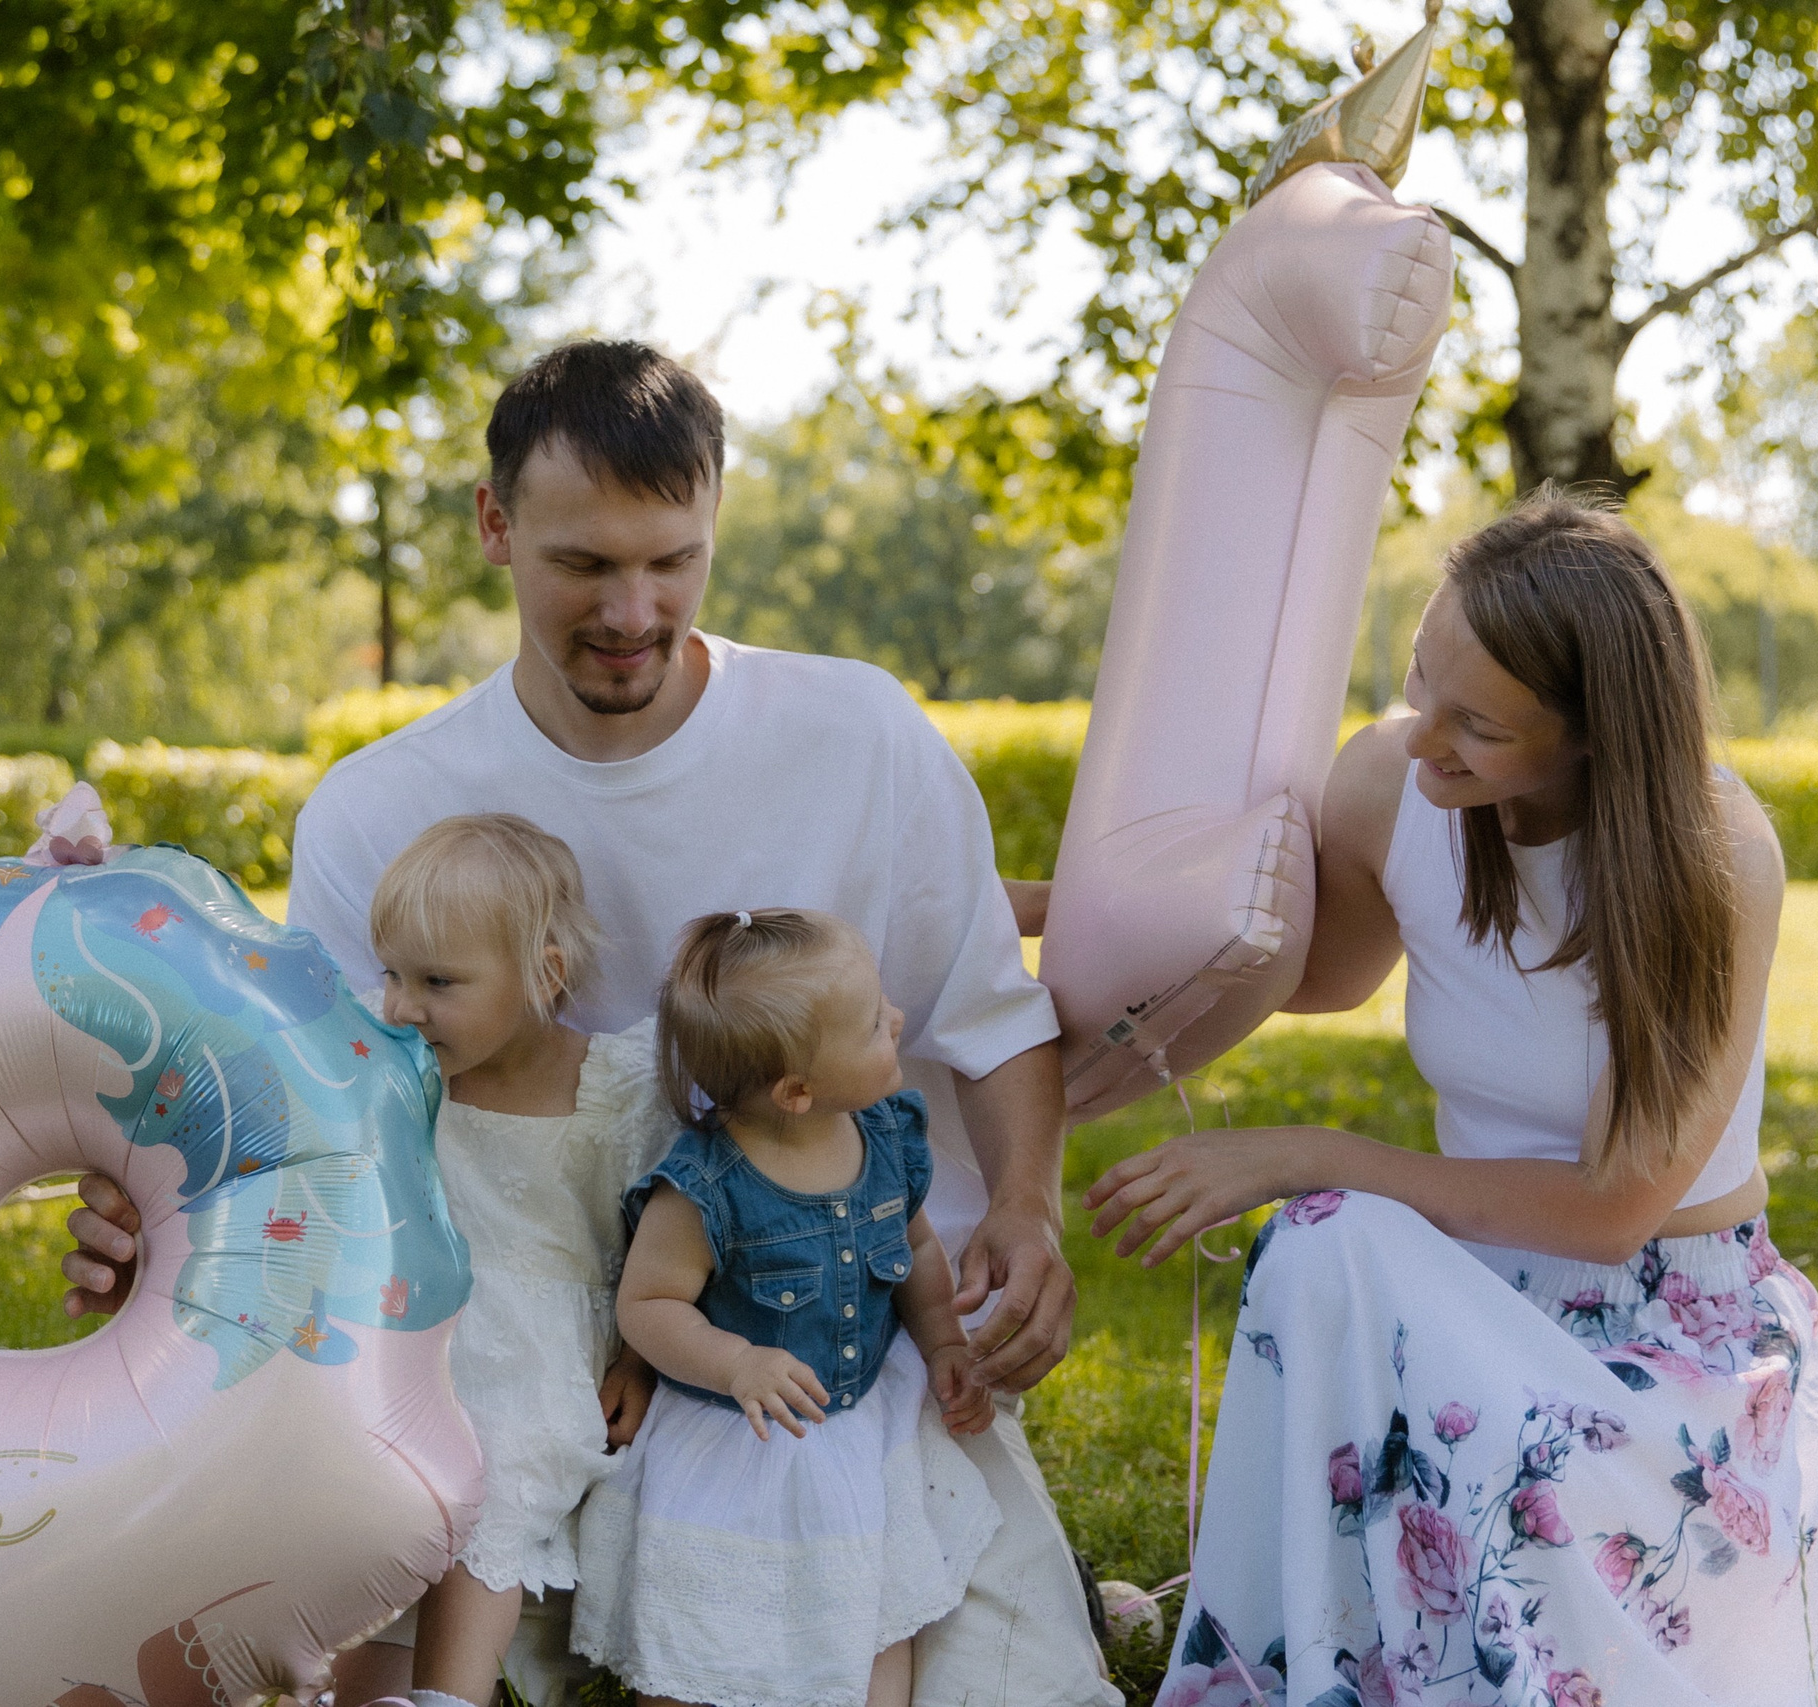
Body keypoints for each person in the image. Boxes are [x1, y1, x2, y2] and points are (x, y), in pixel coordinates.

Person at [60, 340, 1116, 1707]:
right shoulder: (381, 809)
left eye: (673, 558)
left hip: (842, 1363)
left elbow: (992, 1017)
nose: (634, 607)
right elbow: (312, 1115)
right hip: (527, 1366)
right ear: (495, 527)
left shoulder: (861, 735)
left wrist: (1027, 1209)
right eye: (584, 564)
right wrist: (161, 1224)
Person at [1076, 495, 1818, 1705]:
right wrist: (1066, 906)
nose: (1422, 734)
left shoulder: (1716, 851)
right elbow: (1320, 975)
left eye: (1477, 726)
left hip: (1665, 1338)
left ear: (1592, 736)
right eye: (1416, 680)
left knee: (1324, 1218)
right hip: (1471, 1290)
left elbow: (1611, 1213)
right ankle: (1279, 1678)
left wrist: (1303, 1150)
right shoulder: (1395, 783)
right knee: (1316, 1252)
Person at [571, 908, 1000, 1707]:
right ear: (798, 1090)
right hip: (738, 1439)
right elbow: (649, 1301)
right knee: (704, 1621)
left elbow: (919, 1250)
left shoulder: (887, 1135)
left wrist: (943, 1341)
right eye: (875, 1024)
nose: (897, 1021)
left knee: (872, 1610)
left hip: (854, 1428)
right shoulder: (706, 1189)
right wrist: (736, 1360)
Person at [365, 814, 677, 1707]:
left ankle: (449, 1698)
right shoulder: (398, 1077)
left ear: (543, 974)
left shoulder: (620, 1084)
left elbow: (672, 1239)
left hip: (544, 1366)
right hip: (422, 1346)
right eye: (391, 973)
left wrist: (642, 1359)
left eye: (437, 981)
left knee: (489, 1476)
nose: (400, 1005)